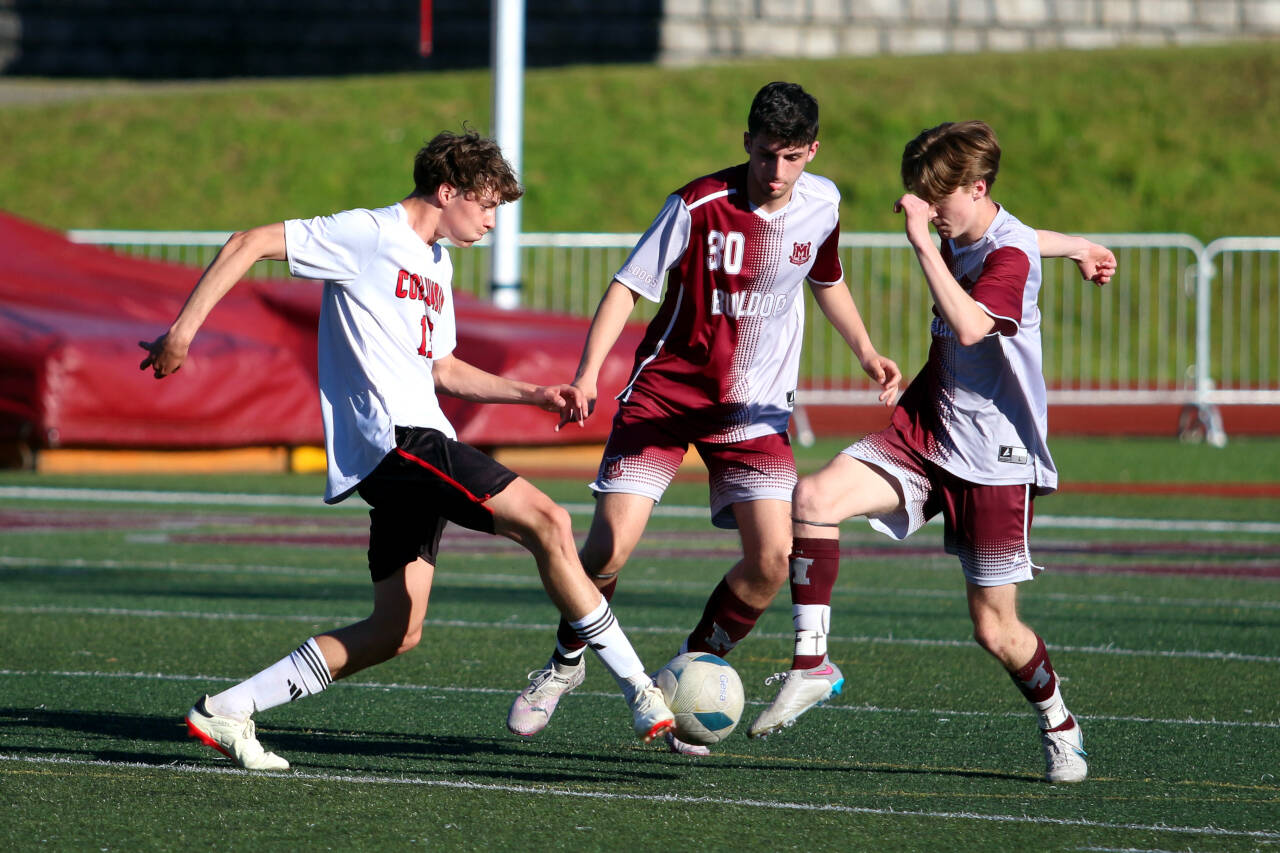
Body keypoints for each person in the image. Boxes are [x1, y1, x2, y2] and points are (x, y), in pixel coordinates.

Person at [138, 129, 675, 771]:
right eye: (486, 206)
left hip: (416, 445)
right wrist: (182, 331)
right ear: (447, 191)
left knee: (397, 630)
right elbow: (249, 242)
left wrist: (534, 393)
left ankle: (227, 709)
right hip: (397, 441)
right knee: (549, 521)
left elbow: (442, 369)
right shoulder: (367, 233)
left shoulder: (437, 263)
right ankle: (639, 689)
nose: (492, 222)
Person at [505, 82, 903, 755]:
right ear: (745, 140)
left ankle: (687, 675)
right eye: (766, 155)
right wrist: (584, 376)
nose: (777, 173)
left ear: (812, 151)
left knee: (773, 559)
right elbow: (627, 288)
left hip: (751, 408)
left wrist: (866, 351)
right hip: (665, 395)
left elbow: (826, 278)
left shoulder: (823, 203)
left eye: (792, 158)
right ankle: (564, 664)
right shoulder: (697, 206)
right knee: (608, 549)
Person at [749, 120, 1116, 785]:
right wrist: (1084, 247)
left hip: (995, 459)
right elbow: (1037, 235)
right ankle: (812, 663)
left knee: (996, 629)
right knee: (814, 496)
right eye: (922, 197)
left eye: (939, 199)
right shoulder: (981, 229)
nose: (931, 211)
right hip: (926, 430)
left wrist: (922, 244)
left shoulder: (1004, 256)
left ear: (978, 189)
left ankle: (1058, 721)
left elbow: (976, 324)